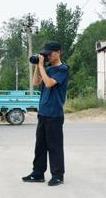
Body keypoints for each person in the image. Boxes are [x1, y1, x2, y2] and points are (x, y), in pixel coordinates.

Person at [22, 41, 70, 186]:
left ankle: (58, 175)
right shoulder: (47, 69)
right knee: (40, 146)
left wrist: (42, 66)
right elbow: (36, 82)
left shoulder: (63, 69)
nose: (48, 56)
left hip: (55, 114)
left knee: (54, 146)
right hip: (43, 113)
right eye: (46, 54)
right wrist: (38, 66)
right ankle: (38, 173)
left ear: (58, 52)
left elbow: (49, 83)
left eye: (50, 53)